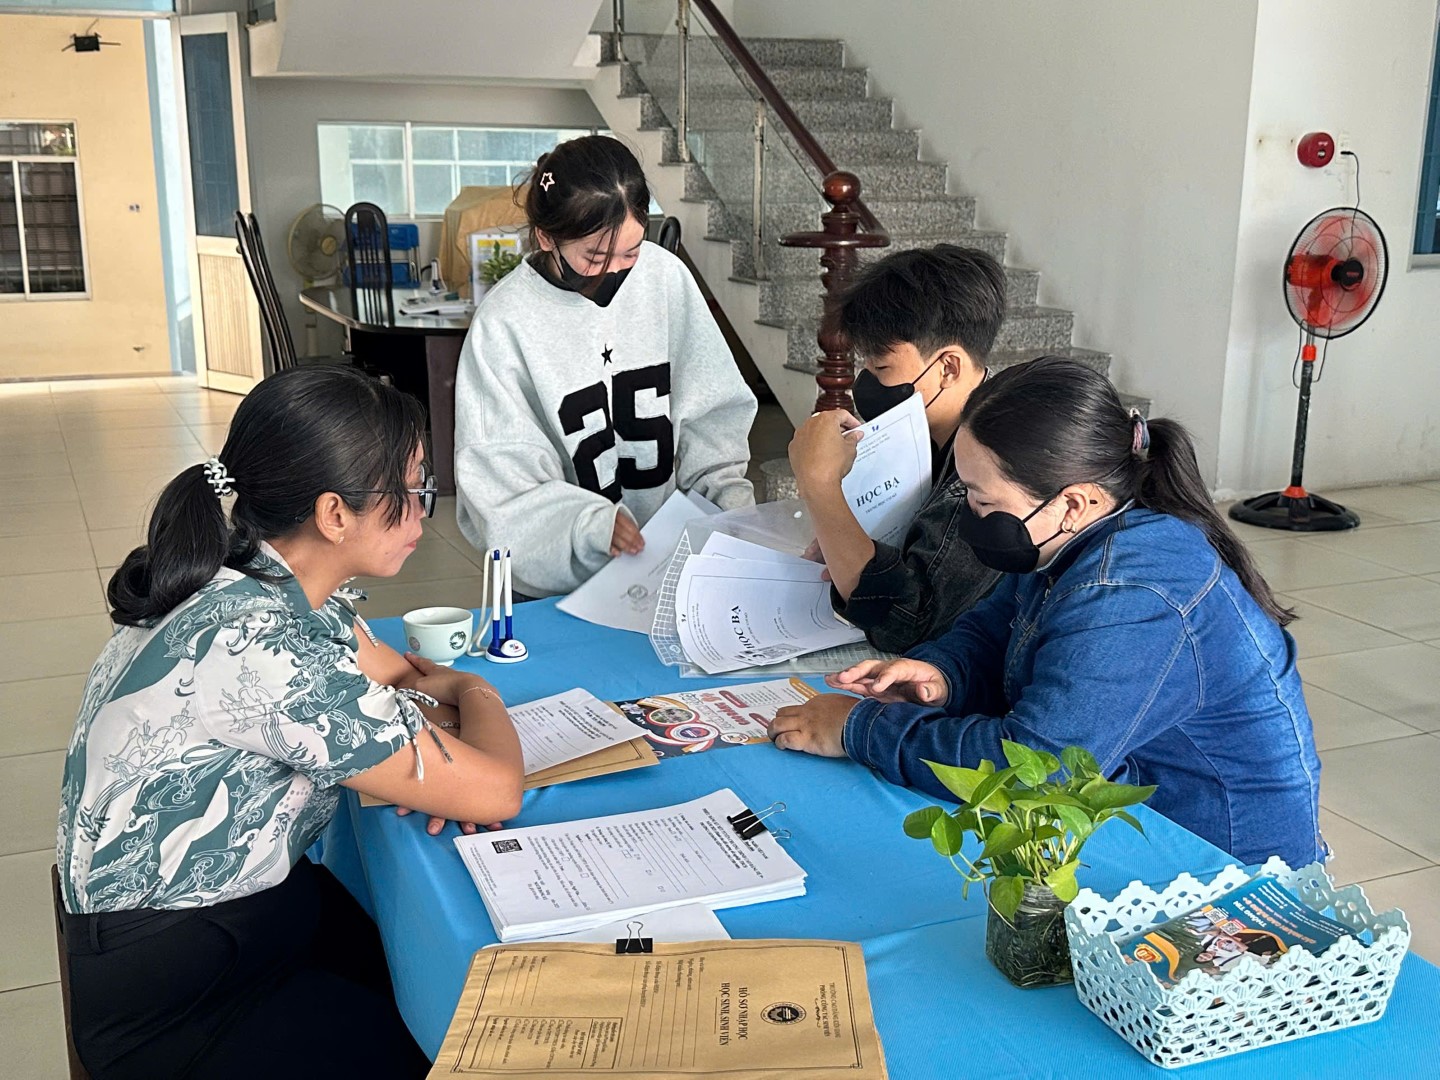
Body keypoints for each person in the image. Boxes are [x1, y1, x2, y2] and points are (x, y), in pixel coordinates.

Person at [56, 366, 525, 1080]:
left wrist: (425, 748)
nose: (422, 515)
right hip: (180, 988)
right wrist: (476, 690)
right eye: (412, 491)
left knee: (434, 985)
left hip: (244, 911)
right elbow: (496, 789)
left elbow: (394, 676)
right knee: (460, 1047)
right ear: (334, 514)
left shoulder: (265, 576)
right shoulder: (264, 646)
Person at [768, 357, 1323, 870]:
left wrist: (860, 728)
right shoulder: (1070, 537)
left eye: (984, 502)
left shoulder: (1134, 593)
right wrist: (941, 673)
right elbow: (994, 628)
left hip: (1221, 866)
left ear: (1074, 502)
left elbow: (1036, 768)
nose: (971, 515)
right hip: (1127, 810)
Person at [453, 134, 757, 598]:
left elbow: (712, 416)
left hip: (666, 567)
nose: (616, 270)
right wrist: (589, 526)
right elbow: (498, 485)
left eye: (631, 251)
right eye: (595, 256)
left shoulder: (665, 277)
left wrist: (732, 512)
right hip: (555, 584)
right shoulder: (504, 322)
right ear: (546, 237)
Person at [786, 245, 1005, 653]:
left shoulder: (990, 469)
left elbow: (906, 623)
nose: (867, 382)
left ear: (948, 368)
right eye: (866, 365)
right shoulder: (926, 434)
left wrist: (819, 484)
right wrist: (841, 540)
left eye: (882, 367)